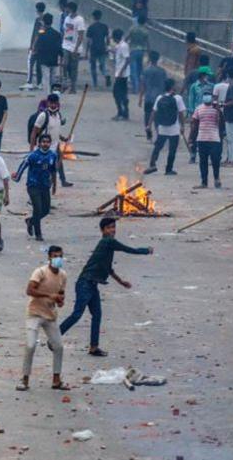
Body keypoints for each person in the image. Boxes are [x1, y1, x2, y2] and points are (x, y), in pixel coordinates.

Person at [59, 218, 152, 357]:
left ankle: (94, 347)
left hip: (91, 284)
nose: (112, 230)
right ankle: (55, 337)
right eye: (109, 228)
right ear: (102, 230)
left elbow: (108, 269)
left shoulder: (106, 246)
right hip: (85, 283)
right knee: (77, 314)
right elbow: (128, 249)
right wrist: (146, 250)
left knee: (97, 315)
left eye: (114, 227)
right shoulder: (108, 242)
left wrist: (121, 282)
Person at [17, 246, 70, 391]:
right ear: (49, 258)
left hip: (50, 315)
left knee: (58, 346)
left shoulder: (63, 275)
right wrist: (48, 295)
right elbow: (29, 290)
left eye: (60, 256)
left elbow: (61, 294)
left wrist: (59, 300)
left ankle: (56, 379)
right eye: (55, 256)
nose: (58, 259)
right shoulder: (40, 272)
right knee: (30, 345)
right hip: (34, 313)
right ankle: (24, 379)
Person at [14, 134, 58, 241]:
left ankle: (31, 221)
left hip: (45, 186)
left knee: (46, 210)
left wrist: (54, 185)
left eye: (47, 142)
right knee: (37, 208)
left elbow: (53, 171)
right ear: (39, 143)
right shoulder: (33, 156)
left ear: (50, 143)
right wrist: (17, 177)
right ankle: (38, 234)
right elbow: (23, 166)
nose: (45, 144)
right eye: (43, 142)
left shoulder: (53, 155)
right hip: (33, 185)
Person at [144, 79, 186, 175]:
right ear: (172, 87)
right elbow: (181, 114)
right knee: (172, 149)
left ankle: (152, 164)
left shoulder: (160, 97)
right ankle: (168, 169)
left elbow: (153, 112)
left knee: (157, 147)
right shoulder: (178, 98)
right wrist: (182, 126)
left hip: (162, 127)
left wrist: (149, 125)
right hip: (174, 128)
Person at [30, 93, 72, 187]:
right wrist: (31, 149)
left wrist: (64, 138)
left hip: (55, 145)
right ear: (48, 103)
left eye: (55, 103)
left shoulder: (58, 115)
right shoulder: (43, 116)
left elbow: (56, 130)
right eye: (51, 103)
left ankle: (63, 180)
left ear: (58, 104)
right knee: (46, 169)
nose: (53, 105)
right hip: (45, 147)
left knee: (59, 162)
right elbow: (34, 132)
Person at [190, 89, 223, 188]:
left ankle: (216, 178)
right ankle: (204, 182)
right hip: (202, 138)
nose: (207, 97)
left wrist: (218, 109)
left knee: (215, 160)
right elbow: (194, 124)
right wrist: (191, 137)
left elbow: (222, 122)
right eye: (205, 95)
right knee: (203, 161)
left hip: (214, 138)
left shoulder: (217, 109)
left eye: (208, 95)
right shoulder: (198, 109)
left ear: (212, 97)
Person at [215, 68, 233, 166]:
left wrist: (222, 104)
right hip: (232, 114)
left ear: (228, 76)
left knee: (232, 138)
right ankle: (230, 158)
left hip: (231, 114)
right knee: (231, 137)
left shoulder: (232, 87)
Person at [139, 51, 168, 142]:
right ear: (158, 59)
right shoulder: (162, 72)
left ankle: (149, 135)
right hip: (160, 97)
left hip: (148, 97)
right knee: (158, 117)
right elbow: (166, 85)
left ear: (149, 59)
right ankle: (159, 135)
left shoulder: (146, 71)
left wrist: (140, 98)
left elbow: (143, 85)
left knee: (147, 116)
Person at [61, 1, 86, 94]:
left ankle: (73, 87)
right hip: (66, 45)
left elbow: (81, 35)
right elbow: (65, 31)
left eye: (67, 8)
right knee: (65, 64)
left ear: (71, 9)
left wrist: (76, 48)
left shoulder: (80, 20)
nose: (65, 10)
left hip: (75, 47)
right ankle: (65, 82)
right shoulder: (67, 18)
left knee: (73, 68)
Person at [34, 13, 62, 91]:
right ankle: (54, 96)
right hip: (54, 59)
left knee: (45, 78)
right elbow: (59, 47)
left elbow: (38, 45)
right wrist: (61, 56)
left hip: (44, 59)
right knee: (53, 79)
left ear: (43, 21)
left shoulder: (41, 33)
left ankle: (46, 97)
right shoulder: (57, 34)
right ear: (52, 22)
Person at [24, 2, 46, 89]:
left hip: (37, 45)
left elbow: (37, 34)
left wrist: (33, 45)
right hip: (41, 46)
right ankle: (39, 82)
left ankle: (29, 81)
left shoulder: (39, 20)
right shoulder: (43, 19)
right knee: (39, 64)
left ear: (37, 9)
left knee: (30, 63)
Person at [127, 14, 150, 94]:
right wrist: (149, 54)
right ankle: (140, 87)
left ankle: (135, 88)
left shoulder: (132, 29)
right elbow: (147, 43)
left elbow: (127, 38)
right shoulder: (145, 31)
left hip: (133, 50)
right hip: (141, 51)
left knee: (133, 70)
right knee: (140, 70)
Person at [110, 28, 130, 120]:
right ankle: (124, 112)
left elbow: (127, 59)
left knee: (117, 93)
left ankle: (121, 112)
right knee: (122, 93)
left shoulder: (123, 46)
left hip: (122, 74)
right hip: (120, 73)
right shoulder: (120, 46)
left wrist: (121, 72)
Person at [86, 10, 109, 90]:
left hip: (94, 49)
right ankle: (106, 75)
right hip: (102, 48)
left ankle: (95, 83)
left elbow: (89, 41)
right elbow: (107, 38)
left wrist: (86, 52)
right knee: (102, 65)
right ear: (100, 16)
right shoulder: (104, 26)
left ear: (93, 17)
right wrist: (107, 47)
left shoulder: (91, 27)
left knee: (93, 67)